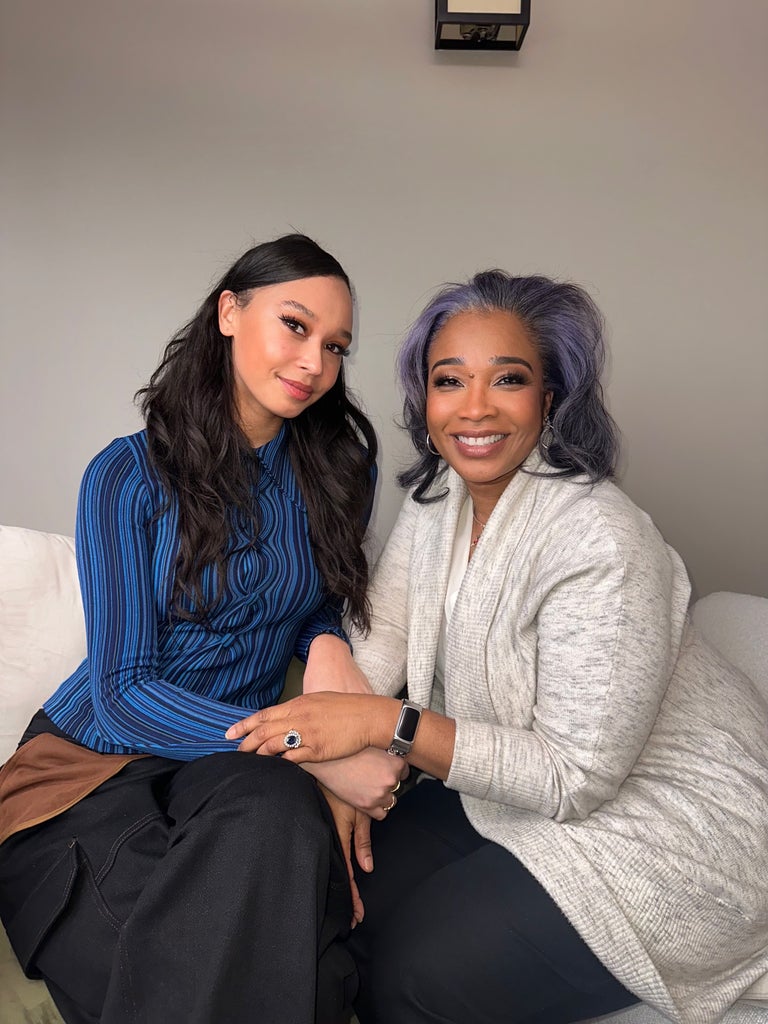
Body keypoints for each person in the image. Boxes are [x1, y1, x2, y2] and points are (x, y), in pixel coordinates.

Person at [227, 271, 768, 1024]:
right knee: (329, 903)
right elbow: (384, 638)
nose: (474, 407)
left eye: (508, 379)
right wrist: (334, 762)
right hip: (510, 801)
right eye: (449, 380)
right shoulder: (438, 498)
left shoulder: (601, 540)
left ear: (550, 397)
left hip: (676, 838)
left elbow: (574, 776)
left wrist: (380, 726)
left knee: (416, 979)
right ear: (425, 398)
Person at [0, 233, 406, 1024]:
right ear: (229, 312)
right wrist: (313, 748)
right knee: (291, 980)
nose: (315, 362)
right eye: (295, 325)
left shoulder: (339, 470)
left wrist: (325, 643)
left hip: (229, 770)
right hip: (86, 773)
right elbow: (123, 694)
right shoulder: (125, 475)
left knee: (274, 809)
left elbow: (314, 595)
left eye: (335, 345)